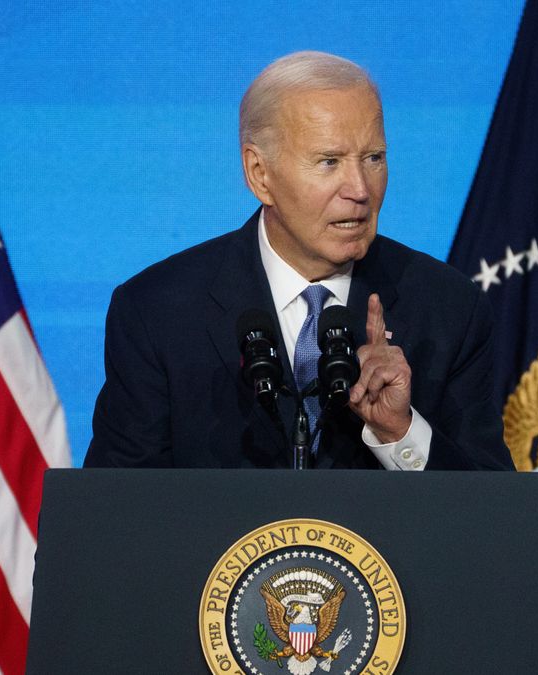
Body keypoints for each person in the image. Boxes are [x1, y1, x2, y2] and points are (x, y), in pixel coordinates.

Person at [84, 51, 512, 471]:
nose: (360, 189)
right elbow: (108, 518)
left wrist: (400, 433)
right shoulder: (158, 313)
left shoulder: (448, 309)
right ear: (259, 174)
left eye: (373, 159)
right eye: (329, 162)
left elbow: (498, 525)